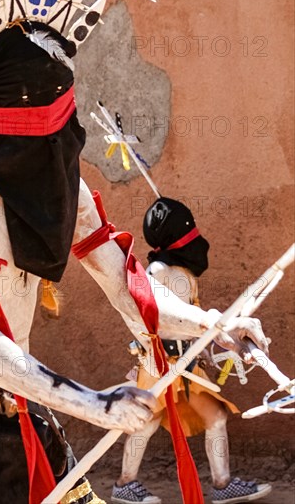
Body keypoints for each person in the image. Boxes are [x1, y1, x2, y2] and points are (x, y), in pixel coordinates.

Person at [0, 0, 269, 503]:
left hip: (22, 418)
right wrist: (90, 402)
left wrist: (211, 325)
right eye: (38, 142)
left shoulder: (62, 186)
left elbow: (129, 289)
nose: (52, 156)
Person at [111, 197, 272, 504]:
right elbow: (151, 317)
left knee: (216, 415)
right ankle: (124, 484)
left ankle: (223, 484)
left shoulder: (186, 275)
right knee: (147, 420)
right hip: (159, 363)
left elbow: (196, 320)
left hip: (189, 365)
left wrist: (223, 347)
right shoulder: (156, 271)